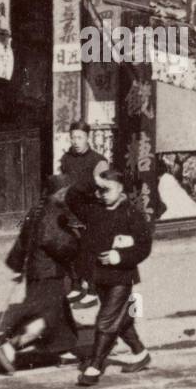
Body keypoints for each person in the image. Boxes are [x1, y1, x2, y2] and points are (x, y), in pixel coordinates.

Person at [67, 167, 154, 387]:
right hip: (100, 277)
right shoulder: (94, 210)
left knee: (106, 320)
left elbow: (144, 247)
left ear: (121, 189)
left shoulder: (132, 214)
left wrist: (120, 256)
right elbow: (72, 197)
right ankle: (140, 353)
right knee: (119, 319)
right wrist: (92, 180)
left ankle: (95, 366)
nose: (103, 193)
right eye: (100, 190)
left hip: (122, 277)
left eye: (109, 189)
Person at [0, 175, 82, 373]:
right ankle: (10, 345)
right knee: (45, 318)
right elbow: (54, 242)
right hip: (49, 273)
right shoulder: (54, 212)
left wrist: (17, 266)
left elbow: (23, 240)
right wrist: (76, 244)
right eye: (63, 192)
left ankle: (64, 349)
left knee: (59, 312)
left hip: (36, 271)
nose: (66, 195)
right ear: (56, 193)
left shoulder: (37, 209)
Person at [58, 122, 107, 306]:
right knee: (72, 250)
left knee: (89, 251)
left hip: (91, 211)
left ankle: (93, 290)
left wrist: (84, 188)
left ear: (88, 138)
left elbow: (103, 188)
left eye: (79, 137)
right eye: (73, 137)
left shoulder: (98, 161)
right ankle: (77, 286)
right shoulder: (67, 159)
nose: (76, 141)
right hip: (70, 211)